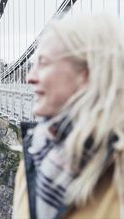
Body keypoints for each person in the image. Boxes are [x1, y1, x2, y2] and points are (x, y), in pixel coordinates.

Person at [13, 13, 124, 219]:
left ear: (87, 73)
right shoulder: (33, 156)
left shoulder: (118, 173)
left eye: (43, 63)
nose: (30, 77)